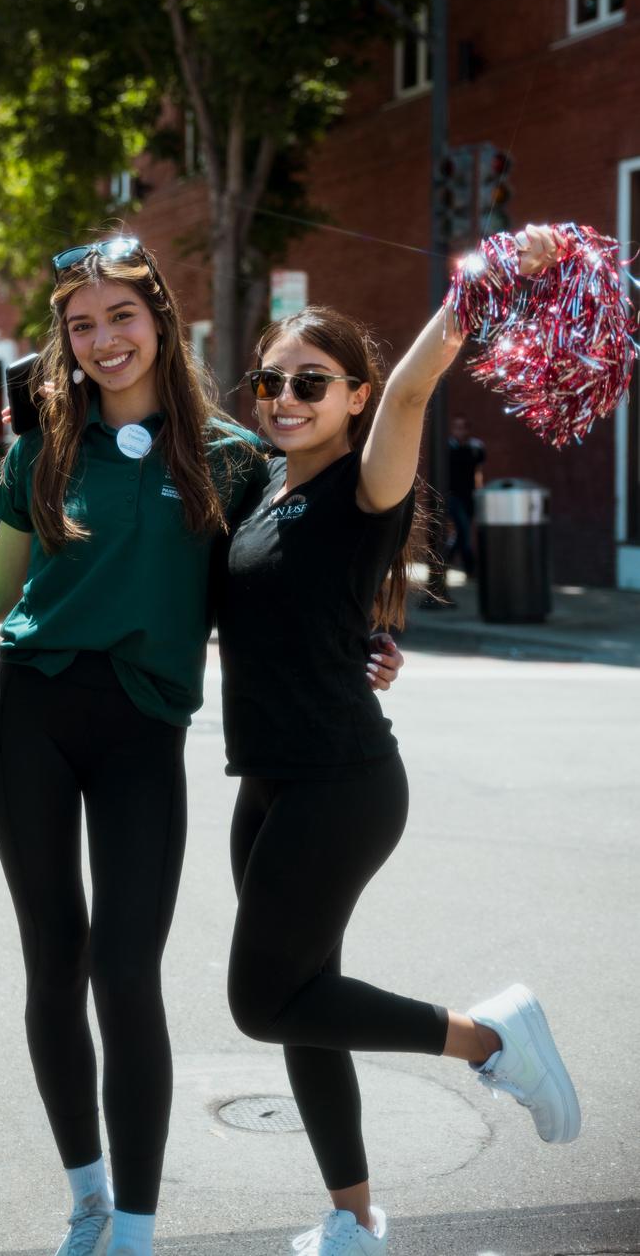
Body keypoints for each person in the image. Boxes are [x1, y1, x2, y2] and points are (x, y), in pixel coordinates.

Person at [0, 236, 402, 1256]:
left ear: (160, 319)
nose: (103, 340)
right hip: (28, 717)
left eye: (120, 315)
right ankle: (87, 1201)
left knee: (127, 970)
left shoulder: (232, 456)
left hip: (143, 730)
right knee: (54, 962)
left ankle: (135, 1228)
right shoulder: (42, 445)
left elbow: (289, 566)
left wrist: (366, 638)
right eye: (81, 325)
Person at [217, 226, 579, 1256]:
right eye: (271, 382)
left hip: (340, 783)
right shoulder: (262, 487)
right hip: (268, 782)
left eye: (311, 383)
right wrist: (366, 643)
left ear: (355, 396)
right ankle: (352, 1217)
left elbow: (417, 384)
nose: (285, 399)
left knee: (262, 999)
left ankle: (490, 1037)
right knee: (305, 1005)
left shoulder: (362, 484)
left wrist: (490, 275)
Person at [446, 413, 486, 578]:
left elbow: (478, 472)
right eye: (457, 427)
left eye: (463, 428)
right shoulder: (448, 447)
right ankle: (470, 568)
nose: (460, 431)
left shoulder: (476, 448)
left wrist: (479, 491)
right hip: (452, 496)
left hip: (469, 496)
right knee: (464, 531)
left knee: (462, 533)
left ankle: (443, 562)